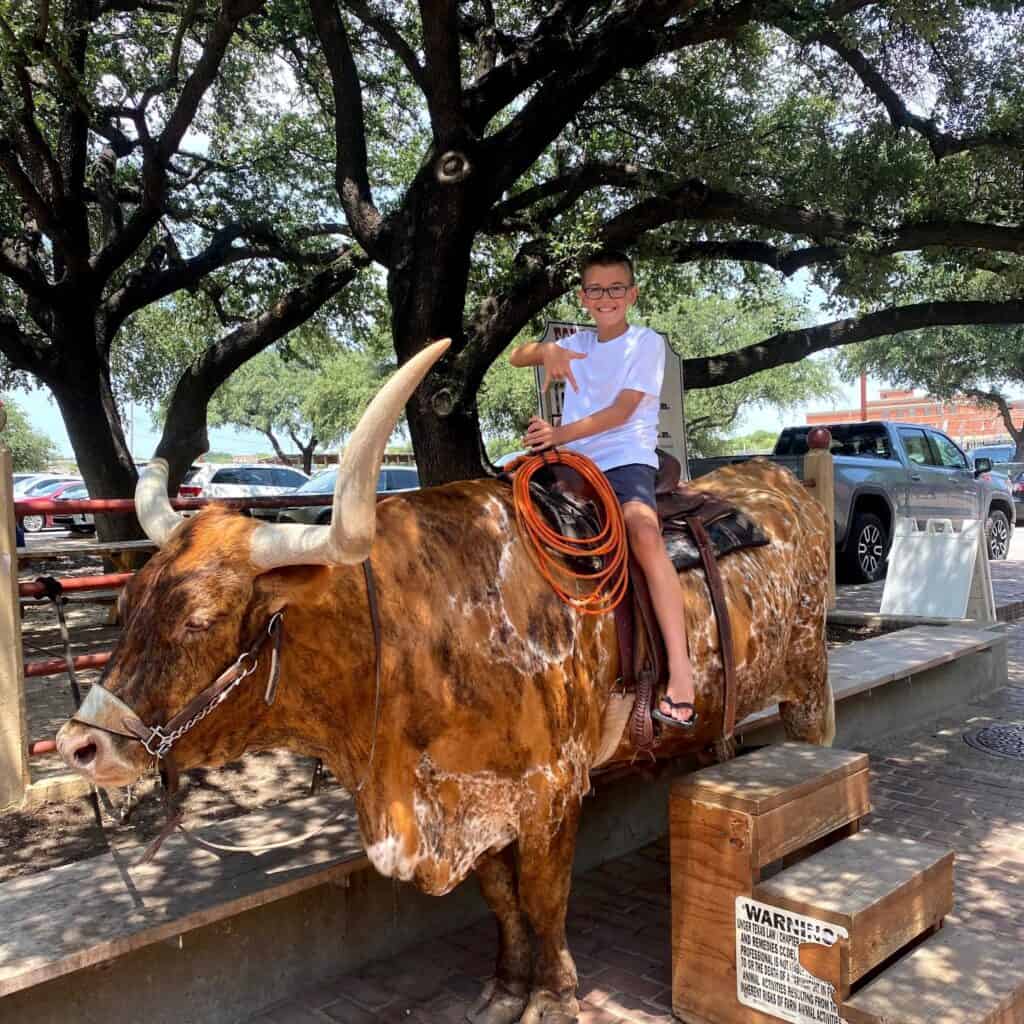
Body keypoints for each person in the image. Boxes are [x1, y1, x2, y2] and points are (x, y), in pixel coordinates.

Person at [509, 250, 697, 728]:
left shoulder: (645, 343)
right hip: (570, 461)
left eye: (616, 288)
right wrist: (546, 351)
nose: (606, 297)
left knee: (644, 534)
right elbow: (517, 355)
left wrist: (558, 435)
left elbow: (622, 411)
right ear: (583, 298)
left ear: (631, 295)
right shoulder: (579, 344)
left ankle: (681, 671)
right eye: (596, 289)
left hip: (623, 457)